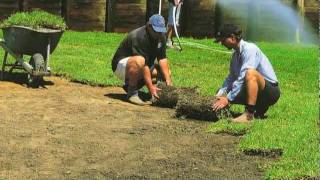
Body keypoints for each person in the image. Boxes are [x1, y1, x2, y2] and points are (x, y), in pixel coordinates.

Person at [212, 24, 280, 123]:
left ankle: (249, 114)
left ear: (232, 37)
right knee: (223, 91)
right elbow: (231, 78)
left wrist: (228, 98)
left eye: (222, 40)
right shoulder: (235, 55)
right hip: (259, 93)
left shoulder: (250, 49)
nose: (221, 43)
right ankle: (259, 108)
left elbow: (244, 76)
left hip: (270, 92)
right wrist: (219, 95)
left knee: (250, 73)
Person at [111, 14, 172, 106]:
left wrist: (168, 80)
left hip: (142, 66)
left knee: (166, 73)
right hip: (121, 67)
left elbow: (162, 58)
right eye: (156, 31)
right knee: (139, 60)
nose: (158, 34)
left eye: (160, 31)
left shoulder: (161, 36)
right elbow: (144, 66)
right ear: (148, 26)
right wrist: (150, 86)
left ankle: (155, 95)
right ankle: (132, 93)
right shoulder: (139, 36)